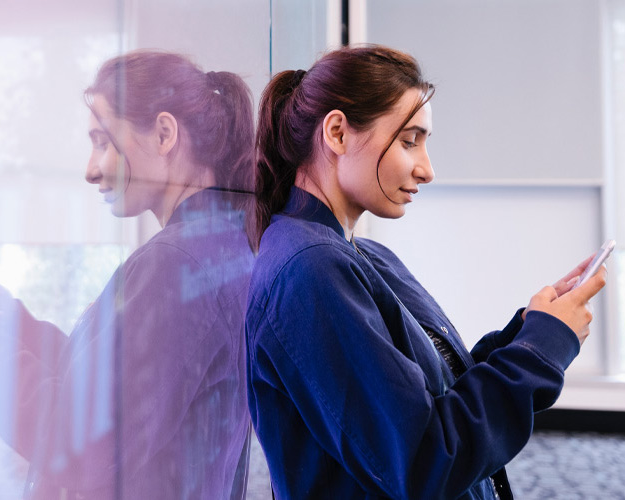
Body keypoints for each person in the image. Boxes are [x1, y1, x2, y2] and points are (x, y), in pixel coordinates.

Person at [244, 45, 607, 499]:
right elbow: (424, 460)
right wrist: (540, 353)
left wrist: (531, 331)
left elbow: (435, 392)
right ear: (337, 132)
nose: (427, 169)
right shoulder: (310, 269)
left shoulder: (360, 255)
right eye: (409, 140)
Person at [0, 50, 256, 499]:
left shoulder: (177, 264)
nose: (91, 169)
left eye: (103, 141)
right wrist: (6, 317)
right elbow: (112, 390)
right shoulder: (219, 246)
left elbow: (79, 446)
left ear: (164, 133)